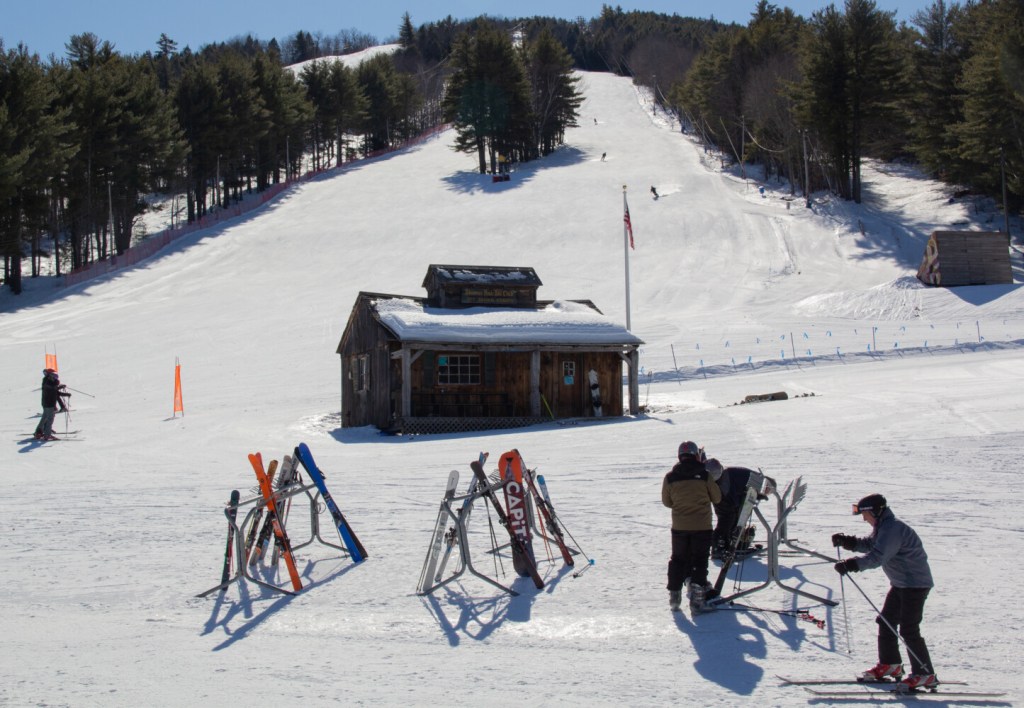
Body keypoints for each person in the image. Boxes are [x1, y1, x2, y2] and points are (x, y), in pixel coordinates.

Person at [832, 494, 936, 693]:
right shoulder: (884, 527)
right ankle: (890, 664)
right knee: (885, 621)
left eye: (865, 514)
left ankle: (925, 674)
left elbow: (878, 556)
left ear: (875, 511)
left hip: (914, 585)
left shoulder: (892, 529)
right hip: (902, 584)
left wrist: (853, 564)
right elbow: (872, 545)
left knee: (909, 628)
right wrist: (848, 542)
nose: (864, 519)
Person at [662, 441, 721, 610]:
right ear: (696, 455)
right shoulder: (704, 475)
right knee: (699, 560)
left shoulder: (670, 477)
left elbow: (667, 502)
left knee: (678, 559)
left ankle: (674, 596)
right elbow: (717, 498)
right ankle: (697, 600)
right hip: (702, 525)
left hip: (679, 526)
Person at [710, 463, 769, 559]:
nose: (768, 494)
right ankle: (718, 547)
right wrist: (757, 495)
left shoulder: (757, 479)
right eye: (768, 492)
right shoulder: (759, 482)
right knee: (727, 519)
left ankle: (730, 542)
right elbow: (743, 493)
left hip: (728, 491)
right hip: (725, 494)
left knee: (733, 517)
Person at [34, 368, 70, 440]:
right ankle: (47, 434)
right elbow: (53, 389)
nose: (56, 377)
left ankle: (39, 432)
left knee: (45, 417)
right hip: (49, 403)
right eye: (54, 376)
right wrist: (58, 386)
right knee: (50, 418)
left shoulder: (47, 381)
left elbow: (55, 391)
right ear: (50, 375)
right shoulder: (49, 382)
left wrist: (65, 393)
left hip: (46, 403)